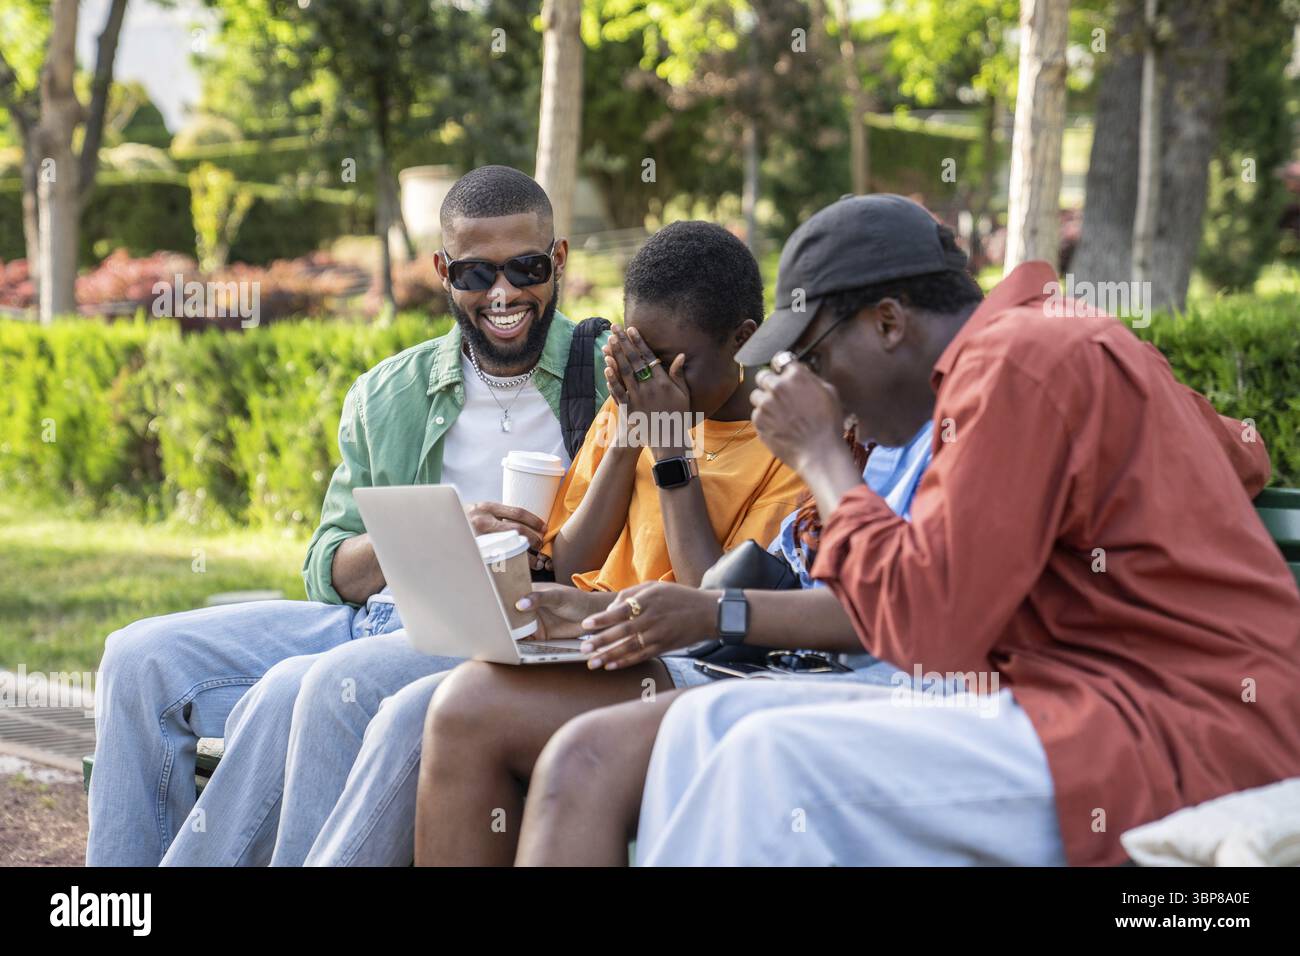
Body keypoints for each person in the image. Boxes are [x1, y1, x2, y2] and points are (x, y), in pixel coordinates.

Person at [514, 193, 1300, 866]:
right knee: (705, 724)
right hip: (1068, 698)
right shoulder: (1007, 357)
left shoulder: (1021, 361)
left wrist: (825, 457)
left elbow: (928, 626)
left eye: (813, 359)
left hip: (1183, 725)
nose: (811, 387)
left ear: (887, 322)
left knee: (767, 762)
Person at [88, 164, 611, 866]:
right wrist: (437, 538)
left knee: (300, 688)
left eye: (525, 267)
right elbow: (326, 568)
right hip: (371, 616)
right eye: (475, 274)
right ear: (441, 270)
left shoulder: (609, 375)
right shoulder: (389, 393)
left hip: (492, 635)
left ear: (559, 260)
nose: (504, 294)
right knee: (138, 656)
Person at [410, 220, 843, 865]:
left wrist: (671, 449)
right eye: (638, 353)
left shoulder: (783, 438)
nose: (653, 375)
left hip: (681, 654)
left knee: (462, 708)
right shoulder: (646, 396)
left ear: (742, 342)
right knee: (411, 706)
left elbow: (714, 608)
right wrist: (629, 434)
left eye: (675, 361)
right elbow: (569, 561)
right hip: (585, 633)